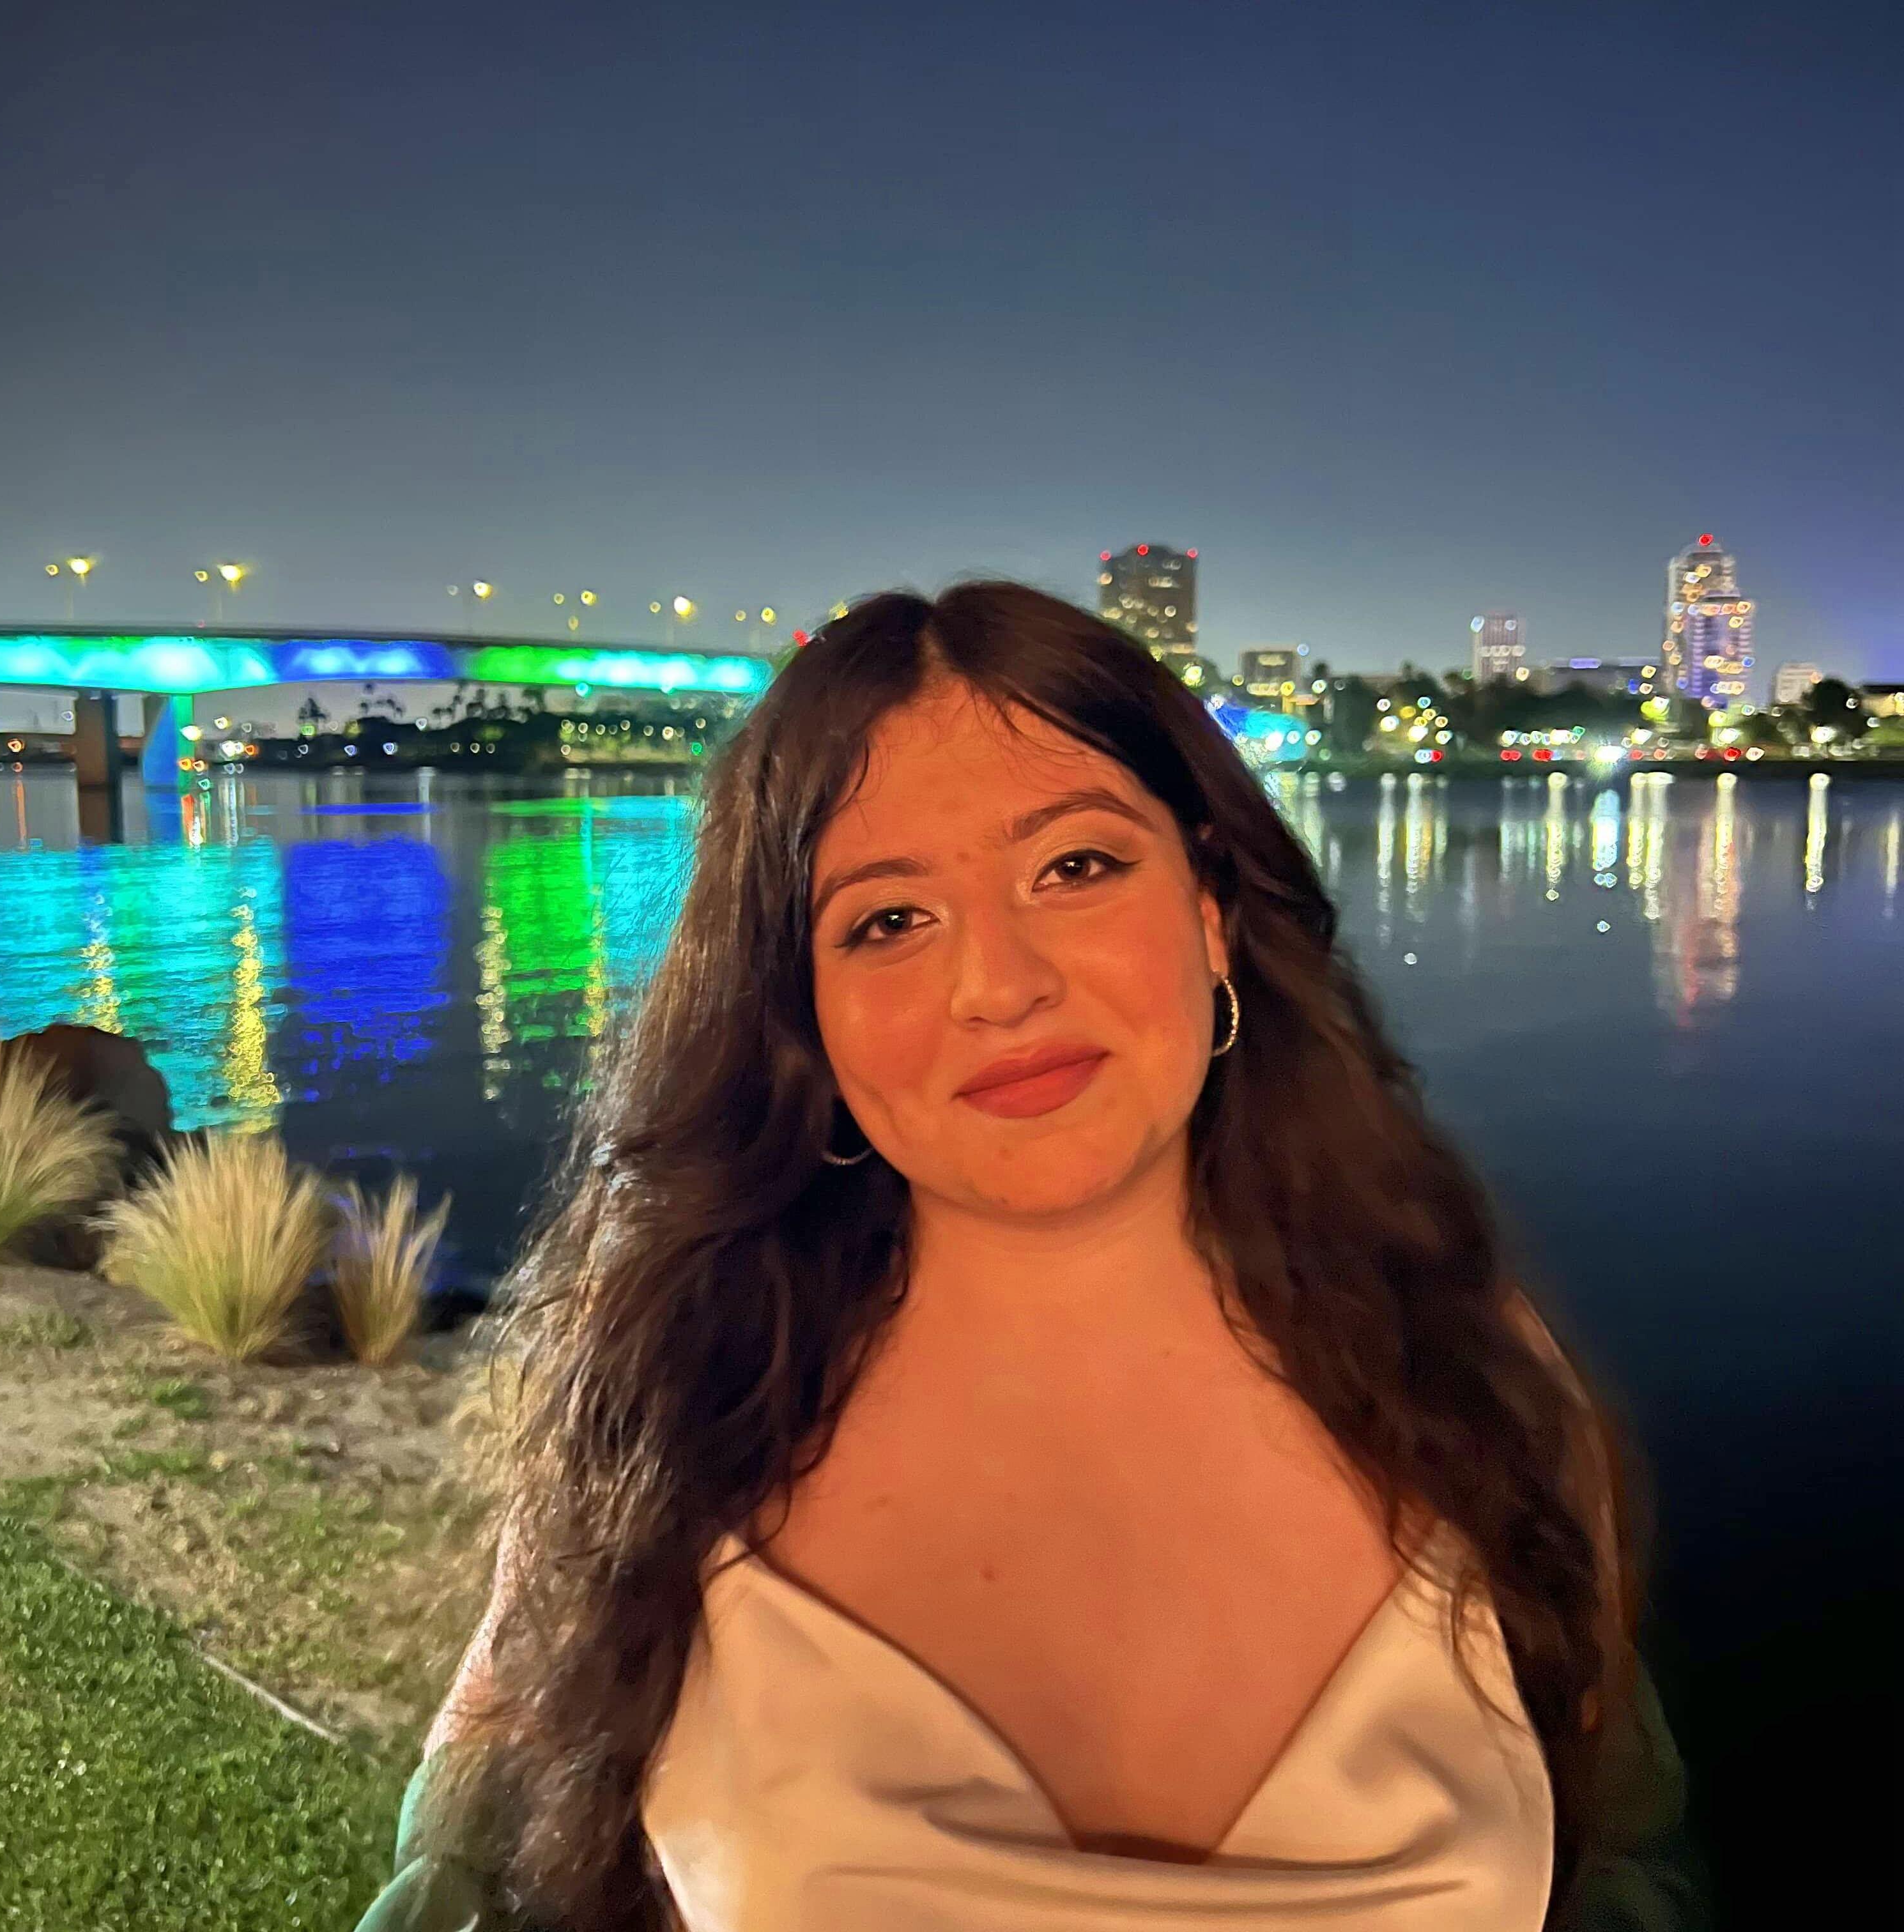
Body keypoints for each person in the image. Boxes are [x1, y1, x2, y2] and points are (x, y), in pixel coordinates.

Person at [355, 583, 1710, 1931]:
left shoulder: (1462, 1368)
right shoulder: (682, 1399)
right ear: (804, 1013)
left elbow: (1620, 1856)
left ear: (1211, 906)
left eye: (1076, 867)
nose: (1000, 987)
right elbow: (483, 1883)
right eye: (889, 922)